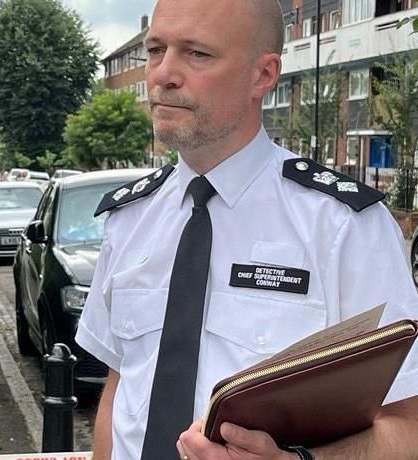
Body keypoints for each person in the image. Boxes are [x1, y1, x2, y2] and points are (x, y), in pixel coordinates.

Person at [75, 1, 418, 459]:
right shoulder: (130, 219)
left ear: (263, 75)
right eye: (156, 50)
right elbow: (120, 392)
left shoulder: (343, 227)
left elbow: (408, 429)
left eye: (196, 53)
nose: (163, 75)